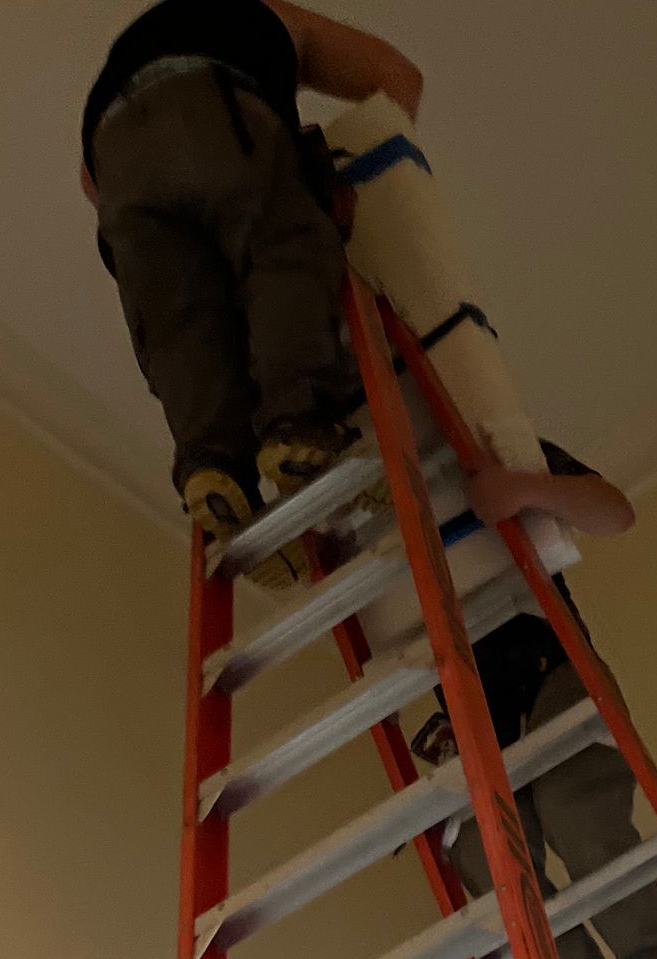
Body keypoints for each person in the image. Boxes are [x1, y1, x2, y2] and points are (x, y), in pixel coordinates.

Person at [81, 1, 423, 580]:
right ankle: (297, 421)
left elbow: (89, 184)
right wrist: (349, 187)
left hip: (113, 158)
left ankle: (212, 464)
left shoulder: (127, 52)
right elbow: (397, 81)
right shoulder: (264, 15)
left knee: (179, 325)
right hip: (211, 100)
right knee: (283, 249)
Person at [411, 446, 657, 959]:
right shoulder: (371, 496)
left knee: (574, 800)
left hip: (550, 660)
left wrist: (520, 487)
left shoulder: (486, 435)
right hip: (472, 706)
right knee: (481, 849)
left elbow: (615, 513)